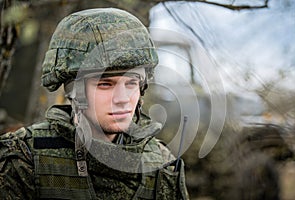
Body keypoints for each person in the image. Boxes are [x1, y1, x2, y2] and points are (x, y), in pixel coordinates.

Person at [0, 8, 189, 199]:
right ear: (74, 91)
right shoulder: (23, 159)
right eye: (106, 84)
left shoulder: (162, 166)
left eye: (132, 83)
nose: (123, 98)